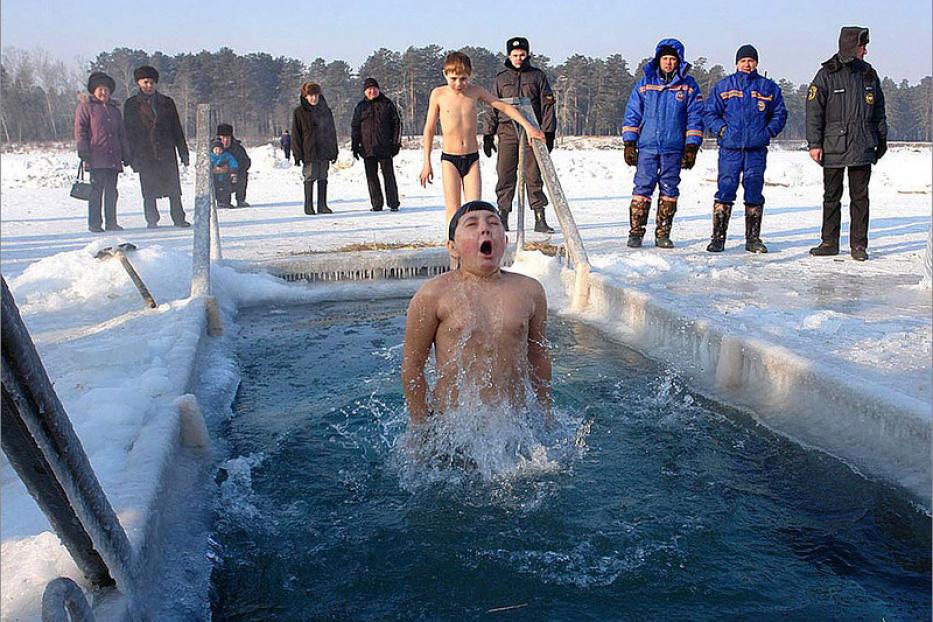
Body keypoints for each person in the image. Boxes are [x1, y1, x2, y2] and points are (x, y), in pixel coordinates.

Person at [401, 200, 552, 427]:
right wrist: (420, 426)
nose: (485, 228)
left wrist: (545, 411)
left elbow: (538, 356)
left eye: (493, 223)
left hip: (513, 422)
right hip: (452, 424)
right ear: (452, 247)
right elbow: (412, 365)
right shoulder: (433, 295)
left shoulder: (530, 291)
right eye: (472, 224)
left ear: (504, 240)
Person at [419, 51, 545, 229]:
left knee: (473, 210)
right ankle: (454, 249)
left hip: (471, 158)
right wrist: (426, 163)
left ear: (469, 76)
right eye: (453, 78)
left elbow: (502, 106)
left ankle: (473, 251)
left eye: (463, 79)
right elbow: (429, 129)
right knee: (453, 210)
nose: (458, 83)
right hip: (450, 159)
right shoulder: (438, 94)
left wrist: (528, 126)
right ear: (445, 74)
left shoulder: (475, 91)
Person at [806, 27, 887, 262]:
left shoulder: (869, 74)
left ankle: (858, 245)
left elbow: (879, 111)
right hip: (833, 146)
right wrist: (814, 143)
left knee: (860, 198)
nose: (866, 51)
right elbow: (813, 112)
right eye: (863, 46)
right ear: (852, 45)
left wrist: (881, 139)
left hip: (862, 144)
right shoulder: (826, 74)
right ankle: (829, 242)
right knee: (832, 196)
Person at [703, 45, 788, 253]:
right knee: (726, 188)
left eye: (751, 60)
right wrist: (722, 130)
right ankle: (718, 238)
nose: (747, 64)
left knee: (754, 190)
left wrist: (768, 132)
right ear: (736, 63)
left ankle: (753, 239)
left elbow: (780, 113)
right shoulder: (724, 86)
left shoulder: (768, 88)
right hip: (730, 148)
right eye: (743, 61)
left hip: (756, 149)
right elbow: (709, 113)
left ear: (757, 63)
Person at [622, 39, 704, 248]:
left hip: (673, 147)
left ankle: (663, 233)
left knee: (669, 189)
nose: (668, 63)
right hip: (648, 146)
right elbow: (633, 114)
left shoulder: (688, 86)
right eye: (665, 59)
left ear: (679, 61)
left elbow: (695, 117)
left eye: (672, 59)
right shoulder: (644, 84)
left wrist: (691, 146)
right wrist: (629, 143)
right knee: (642, 187)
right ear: (658, 60)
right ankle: (636, 233)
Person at [482, 36, 557, 233]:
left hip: (532, 133)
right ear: (509, 55)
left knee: (533, 176)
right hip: (507, 132)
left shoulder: (538, 76)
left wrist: (549, 133)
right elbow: (493, 107)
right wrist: (488, 134)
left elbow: (548, 107)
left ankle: (539, 217)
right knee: (505, 175)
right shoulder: (500, 79)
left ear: (527, 54)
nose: (519, 58)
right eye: (515, 55)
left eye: (522, 54)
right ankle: (503, 215)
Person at [123, 65, 191, 228]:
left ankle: (179, 218)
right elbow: (128, 132)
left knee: (174, 189)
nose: (149, 86)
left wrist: (183, 152)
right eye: (145, 82)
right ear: (138, 83)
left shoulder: (167, 102)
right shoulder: (131, 104)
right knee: (148, 189)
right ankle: (151, 220)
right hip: (144, 153)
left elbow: (177, 128)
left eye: (152, 82)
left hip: (166, 151)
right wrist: (130, 156)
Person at [74, 71, 132, 233]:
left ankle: (111, 222)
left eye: (106, 89)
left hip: (113, 157)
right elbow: (81, 131)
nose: (103, 92)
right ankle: (94, 223)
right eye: (100, 89)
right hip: (96, 156)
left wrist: (126, 153)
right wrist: (83, 150)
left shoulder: (114, 110)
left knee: (112, 192)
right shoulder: (86, 108)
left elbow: (122, 134)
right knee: (96, 191)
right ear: (93, 90)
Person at [351, 78, 402, 212]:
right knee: (371, 178)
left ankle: (393, 203)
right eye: (369, 89)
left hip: (385, 147)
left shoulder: (387, 104)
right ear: (365, 91)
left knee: (388, 176)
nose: (372, 91)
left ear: (378, 89)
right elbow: (355, 127)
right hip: (368, 149)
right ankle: (376, 204)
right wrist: (355, 146)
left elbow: (396, 124)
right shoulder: (361, 107)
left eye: (374, 88)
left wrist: (396, 143)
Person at [292, 82, 338, 215]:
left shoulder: (326, 111)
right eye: (310, 95)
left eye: (316, 95)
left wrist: (334, 151)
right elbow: (296, 135)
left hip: (324, 150)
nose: (314, 98)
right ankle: (308, 205)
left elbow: (332, 132)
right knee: (310, 177)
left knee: (323, 176)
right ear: (305, 96)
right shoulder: (299, 112)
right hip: (309, 151)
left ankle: (322, 205)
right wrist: (297, 155)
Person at [216, 123, 251, 207]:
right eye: (223, 138)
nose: (225, 140)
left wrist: (236, 169)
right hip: (218, 178)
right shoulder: (213, 149)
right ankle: (222, 201)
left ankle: (240, 200)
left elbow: (246, 162)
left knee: (243, 174)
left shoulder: (238, 149)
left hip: (234, 176)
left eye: (227, 138)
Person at [209, 138, 238, 209]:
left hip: (225, 176)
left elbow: (233, 162)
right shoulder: (210, 156)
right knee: (216, 190)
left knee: (227, 189)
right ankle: (219, 202)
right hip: (215, 177)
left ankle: (227, 202)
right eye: (216, 149)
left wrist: (233, 170)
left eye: (220, 149)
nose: (218, 151)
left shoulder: (226, 155)